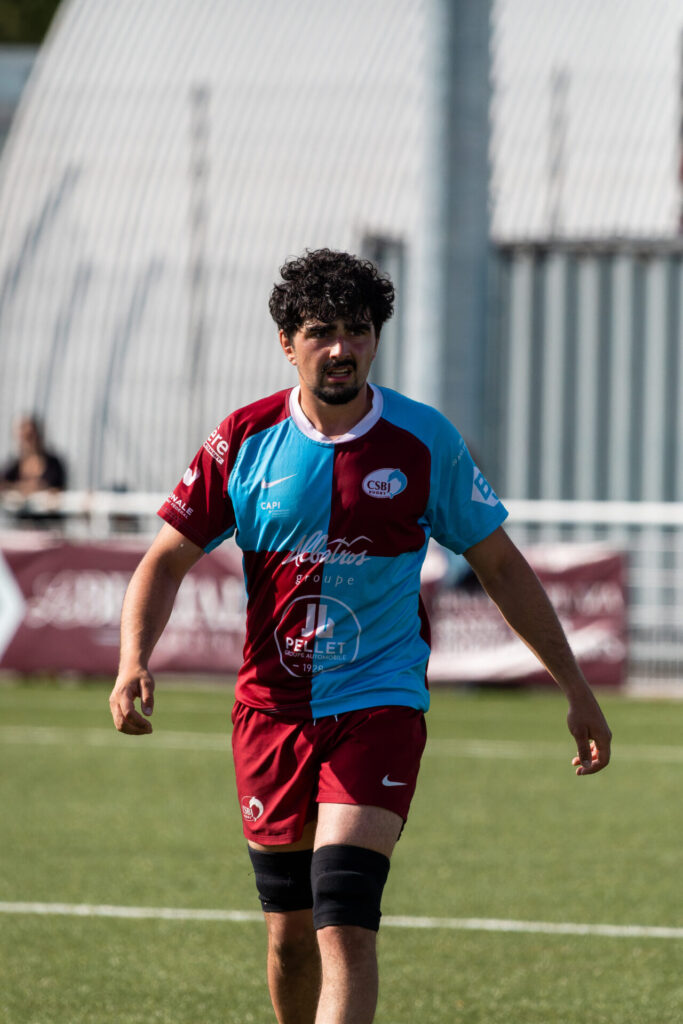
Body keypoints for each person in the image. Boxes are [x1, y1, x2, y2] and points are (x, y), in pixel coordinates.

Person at [109, 248, 611, 1024]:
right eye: (321, 332)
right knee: (290, 939)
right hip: (271, 713)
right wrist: (131, 660)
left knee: (343, 915)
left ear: (376, 337)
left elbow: (502, 567)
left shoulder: (422, 440)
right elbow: (165, 560)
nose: (341, 348)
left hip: (378, 701)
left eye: (358, 330)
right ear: (287, 343)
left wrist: (573, 687)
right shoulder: (243, 438)